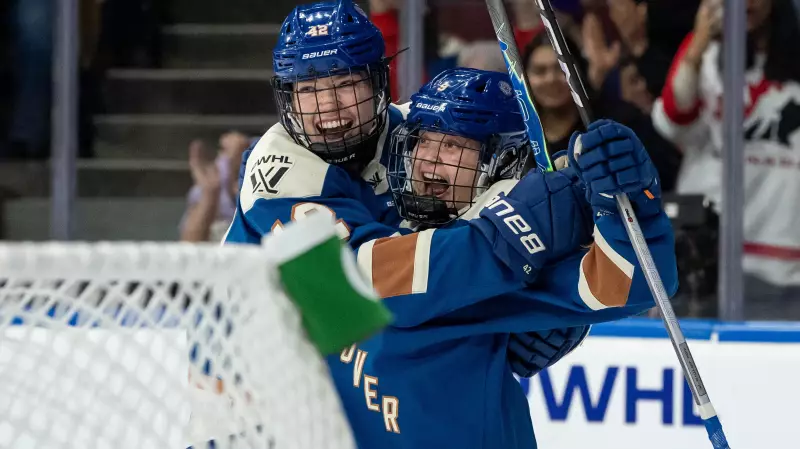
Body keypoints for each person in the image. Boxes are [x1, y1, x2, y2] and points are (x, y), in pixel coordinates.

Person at [223, 0, 583, 395]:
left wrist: (552, 286)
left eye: (344, 83)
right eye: (308, 89)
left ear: (378, 81)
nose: (327, 106)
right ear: (287, 96)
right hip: (253, 391)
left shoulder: (416, 134)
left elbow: (506, 178)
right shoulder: (281, 168)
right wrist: (507, 291)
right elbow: (363, 297)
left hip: (353, 390)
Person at [319, 67, 677, 449]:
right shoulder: (379, 223)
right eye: (422, 141)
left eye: (453, 145)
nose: (428, 160)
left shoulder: (503, 269)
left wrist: (629, 204)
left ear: (501, 162)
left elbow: (635, 283)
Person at [651, 0, 800, 318]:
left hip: (783, 258)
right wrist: (698, 41)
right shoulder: (708, 55)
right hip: (707, 256)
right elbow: (674, 118)